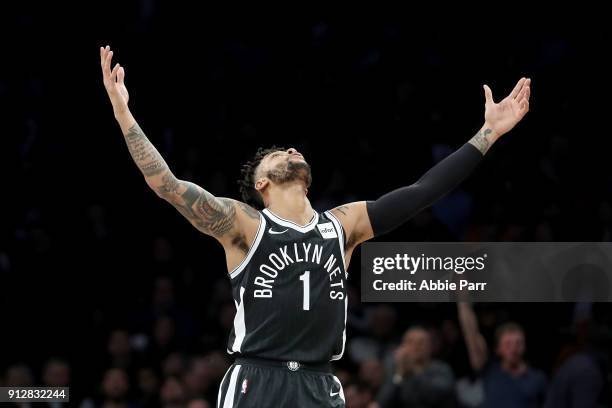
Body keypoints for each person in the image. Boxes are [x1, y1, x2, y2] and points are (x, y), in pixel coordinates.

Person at [100, 45, 531, 407]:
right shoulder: (246, 225)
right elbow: (168, 186)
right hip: (257, 377)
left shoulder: (342, 226)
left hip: (320, 383)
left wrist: (487, 133)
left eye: (290, 148)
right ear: (262, 182)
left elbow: (422, 192)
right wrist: (123, 113)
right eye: (276, 153)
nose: (290, 149)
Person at [457, 303, 547, 407]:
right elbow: (472, 335)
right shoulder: (490, 371)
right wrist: (463, 301)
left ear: (524, 346)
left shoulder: (538, 379)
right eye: (508, 344)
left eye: (518, 343)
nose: (513, 348)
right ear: (498, 349)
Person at [375, 326, 455, 408]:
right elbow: (383, 401)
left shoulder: (442, 369)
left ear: (430, 347)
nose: (416, 347)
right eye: (410, 342)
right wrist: (399, 374)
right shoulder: (397, 367)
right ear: (402, 346)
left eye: (421, 343)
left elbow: (432, 397)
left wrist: (413, 371)